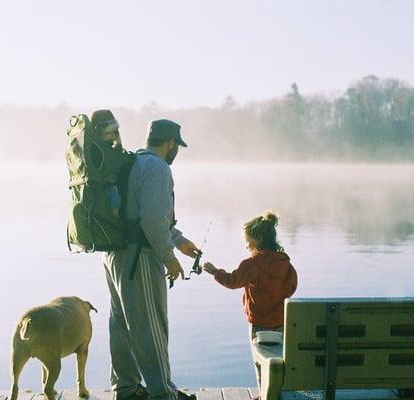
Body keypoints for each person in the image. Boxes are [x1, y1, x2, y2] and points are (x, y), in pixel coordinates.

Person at [100, 114, 200, 400]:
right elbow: (153, 220)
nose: (176, 151)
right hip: (140, 258)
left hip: (116, 255)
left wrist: (179, 241)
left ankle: (127, 388)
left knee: (121, 326)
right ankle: (162, 393)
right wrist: (169, 257)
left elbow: (139, 214)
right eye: (176, 145)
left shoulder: (133, 161)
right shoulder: (157, 168)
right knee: (150, 326)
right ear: (170, 143)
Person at [202, 210, 297, 390]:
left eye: (248, 240)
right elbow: (292, 286)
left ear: (259, 238)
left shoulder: (251, 264)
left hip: (259, 323)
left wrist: (215, 272)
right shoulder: (285, 263)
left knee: (260, 362)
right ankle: (278, 393)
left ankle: (264, 394)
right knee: (278, 361)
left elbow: (232, 281)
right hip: (280, 321)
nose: (246, 245)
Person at [91, 110, 124, 218]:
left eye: (114, 132)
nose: (112, 136)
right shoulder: (98, 151)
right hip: (104, 197)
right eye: (108, 133)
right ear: (98, 133)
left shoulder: (99, 148)